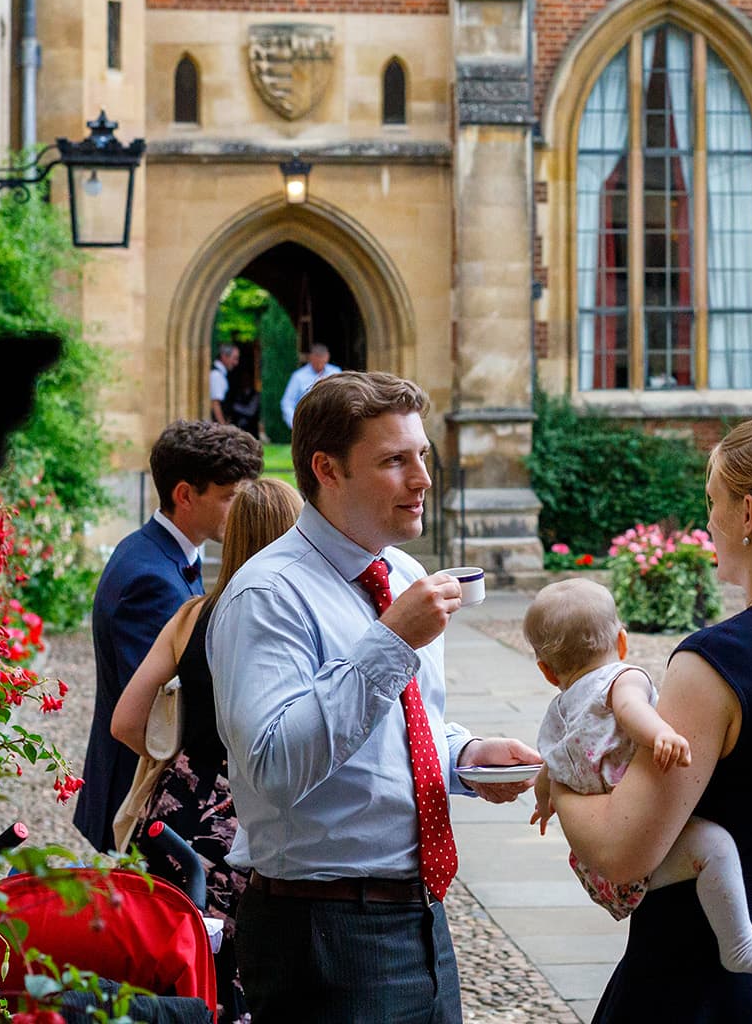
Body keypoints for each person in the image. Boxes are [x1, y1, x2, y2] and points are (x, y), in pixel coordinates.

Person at [210, 371, 541, 1024]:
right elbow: (273, 768)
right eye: (395, 460)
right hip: (323, 925)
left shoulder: (405, 576)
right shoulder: (268, 596)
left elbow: (401, 732)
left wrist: (467, 755)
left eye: (421, 455)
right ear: (327, 469)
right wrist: (390, 643)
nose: (422, 478)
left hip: (421, 914)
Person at [552, 417, 752, 1024]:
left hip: (707, 972)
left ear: (748, 513)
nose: (707, 521)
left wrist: (560, 784)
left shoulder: (718, 662)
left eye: (713, 502)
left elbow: (623, 853)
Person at [523, 578, 752, 977]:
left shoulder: (559, 710)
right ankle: (739, 943)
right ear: (621, 642)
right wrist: (660, 733)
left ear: (547, 672)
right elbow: (631, 708)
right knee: (715, 846)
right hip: (642, 835)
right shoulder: (621, 677)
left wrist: (543, 801)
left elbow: (551, 764)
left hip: (594, 867)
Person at [111, 475, 306, 1023]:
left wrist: (180, 759)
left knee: (172, 962)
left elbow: (126, 722)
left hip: (176, 815)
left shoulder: (190, 616)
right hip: (249, 815)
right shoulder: (292, 621)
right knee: (248, 974)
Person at [75, 420, 263, 851]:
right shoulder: (151, 579)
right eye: (230, 497)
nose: (241, 509)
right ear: (185, 495)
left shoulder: (155, 554)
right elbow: (163, 712)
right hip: (141, 800)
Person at [279, 342, 341, 429]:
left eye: (322, 360)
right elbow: (287, 402)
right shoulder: (298, 376)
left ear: (327, 357)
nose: (319, 364)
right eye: (317, 361)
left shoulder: (335, 372)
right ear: (311, 358)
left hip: (332, 423)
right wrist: (296, 424)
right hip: (306, 423)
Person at [210, 342, 242, 424]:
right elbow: (215, 404)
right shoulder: (216, 375)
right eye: (234, 358)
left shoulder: (220, 374)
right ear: (224, 356)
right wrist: (223, 428)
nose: (236, 363)